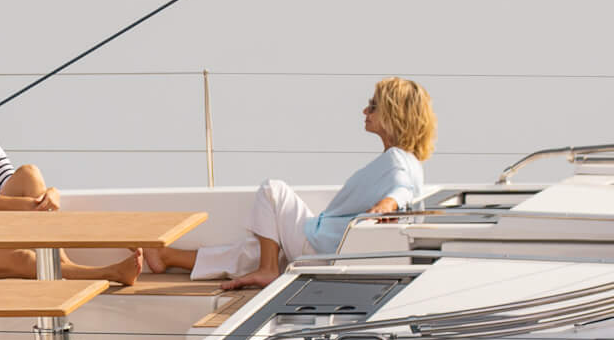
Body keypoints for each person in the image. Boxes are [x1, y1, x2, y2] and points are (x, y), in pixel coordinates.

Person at [148, 77, 435, 288]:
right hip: (327, 246)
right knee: (253, 249)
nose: (365, 111)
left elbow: (403, 189)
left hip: (321, 247)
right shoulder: (407, 161)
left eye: (372, 106)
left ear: (393, 113)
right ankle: (166, 257)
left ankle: (267, 269)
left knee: (273, 191)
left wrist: (386, 205)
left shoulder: (397, 160)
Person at [0, 59, 141, 284]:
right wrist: (38, 206)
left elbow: (14, 186)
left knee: (29, 173)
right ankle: (109, 273)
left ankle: (62, 262)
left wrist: (51, 194)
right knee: (24, 259)